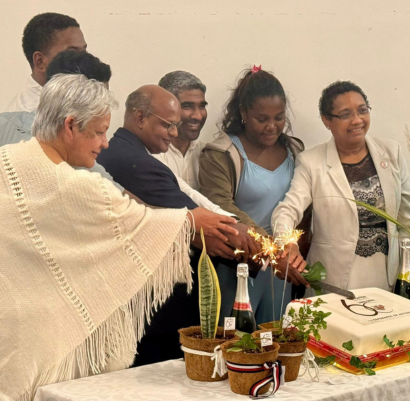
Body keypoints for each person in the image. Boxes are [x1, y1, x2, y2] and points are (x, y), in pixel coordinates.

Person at [0, 74, 217, 400]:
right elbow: (138, 225)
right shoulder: (84, 188)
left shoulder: (5, 160)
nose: (105, 143)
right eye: (100, 132)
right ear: (70, 126)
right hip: (41, 337)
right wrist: (190, 220)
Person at [97, 84, 259, 366]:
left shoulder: (135, 155)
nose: (174, 133)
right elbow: (197, 220)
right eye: (168, 125)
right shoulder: (135, 162)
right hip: (156, 310)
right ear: (140, 117)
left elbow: (193, 201)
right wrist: (251, 243)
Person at [271, 80, 410, 292]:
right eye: (345, 115)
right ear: (326, 120)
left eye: (362, 110)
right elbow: (287, 210)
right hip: (333, 281)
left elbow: (406, 218)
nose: (357, 120)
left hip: (386, 278)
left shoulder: (392, 153)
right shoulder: (311, 162)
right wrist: (286, 243)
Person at [199, 68, 311, 324]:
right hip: (239, 266)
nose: (272, 126)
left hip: (281, 269)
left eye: (279, 117)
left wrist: (292, 251)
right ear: (243, 112)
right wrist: (273, 251)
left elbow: (302, 207)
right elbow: (221, 207)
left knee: (275, 339)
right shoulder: (221, 154)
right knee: (235, 340)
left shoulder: (295, 150)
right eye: (262, 119)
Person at [0, 50, 121, 192]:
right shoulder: (84, 172)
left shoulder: (5, 124)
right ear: (70, 125)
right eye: (99, 98)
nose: (105, 144)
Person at [7, 12, 87, 112]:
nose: (85, 61)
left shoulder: (64, 97)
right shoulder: (31, 116)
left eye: (84, 52)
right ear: (40, 61)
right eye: (72, 53)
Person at [155, 70, 207, 190]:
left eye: (202, 106)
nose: (198, 116)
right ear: (165, 108)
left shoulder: (206, 154)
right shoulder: (153, 153)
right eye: (187, 106)